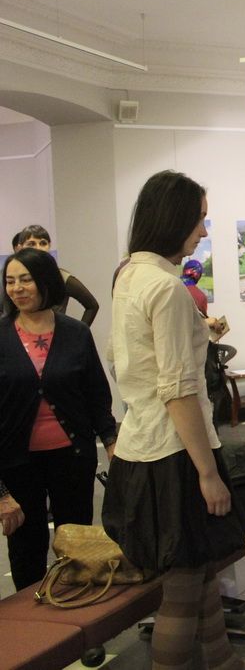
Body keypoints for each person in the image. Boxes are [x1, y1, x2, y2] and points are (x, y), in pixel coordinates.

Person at [102, 170, 245, 670]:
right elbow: (179, 390)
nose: (203, 232)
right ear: (173, 218)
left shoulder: (129, 276)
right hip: (175, 455)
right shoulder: (164, 286)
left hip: (143, 448)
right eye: (200, 220)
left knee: (201, 573)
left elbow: (125, 361)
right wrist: (207, 473)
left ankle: (224, 663)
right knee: (182, 591)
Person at [0, 248, 116, 590]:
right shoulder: (2, 335)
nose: (17, 288)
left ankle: (79, 611)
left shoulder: (75, 333)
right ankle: (34, 619)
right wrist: (1, 493)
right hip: (17, 463)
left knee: (77, 547)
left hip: (73, 457)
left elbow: (97, 394)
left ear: (46, 282)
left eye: (25, 280)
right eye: (10, 281)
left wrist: (111, 441)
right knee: (26, 549)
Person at [11, 225, 100, 325]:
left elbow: (92, 306)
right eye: (31, 244)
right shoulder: (12, 278)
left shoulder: (61, 277)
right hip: (20, 332)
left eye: (43, 243)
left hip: (55, 333)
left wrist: (79, 332)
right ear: (20, 248)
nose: (38, 248)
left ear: (49, 245)